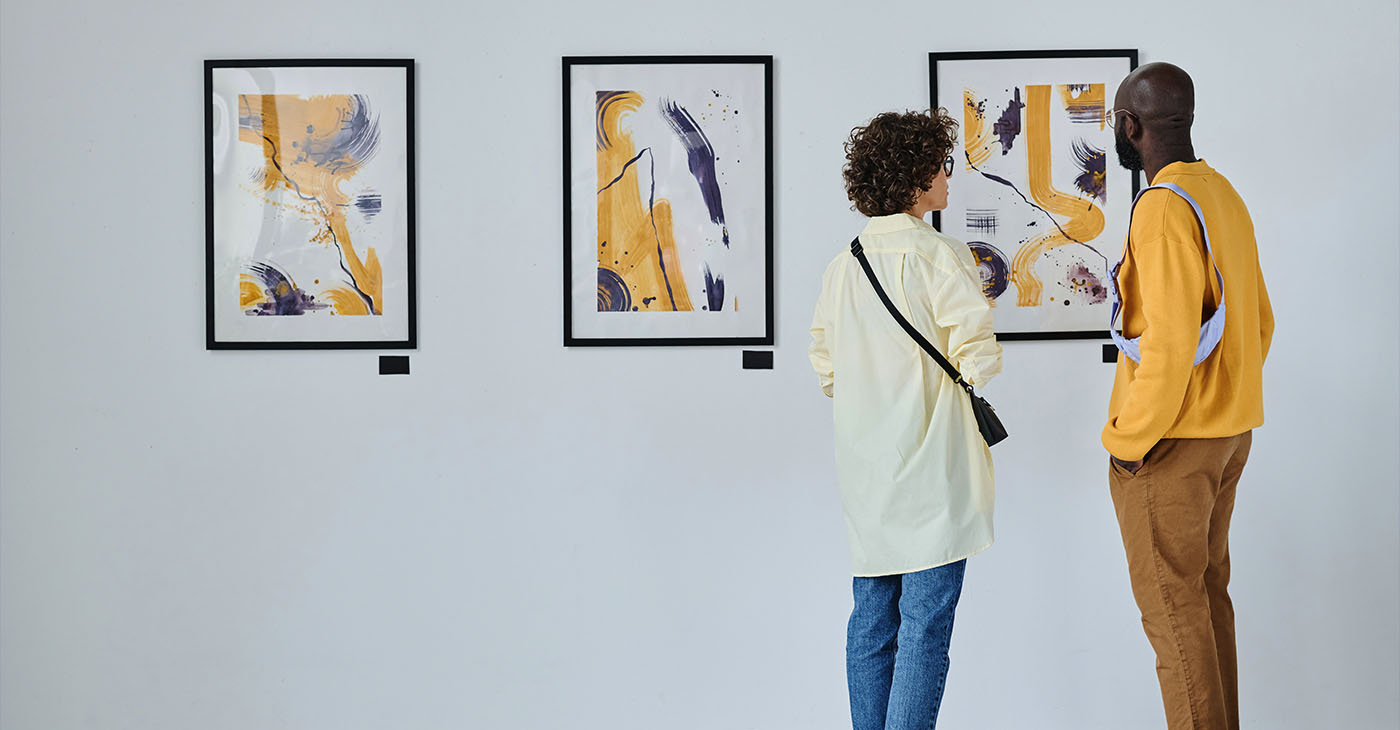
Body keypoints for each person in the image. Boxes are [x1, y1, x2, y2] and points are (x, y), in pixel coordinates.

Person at [809, 109, 1002, 730]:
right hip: (934, 468)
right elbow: (979, 355)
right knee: (925, 624)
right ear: (917, 177)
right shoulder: (940, 254)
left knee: (872, 617)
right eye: (942, 166)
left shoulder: (844, 263)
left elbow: (826, 366)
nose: (949, 177)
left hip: (868, 468)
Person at [1103, 62, 1274, 730]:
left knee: (1174, 624)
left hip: (1171, 448)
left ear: (1131, 125)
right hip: (1228, 436)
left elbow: (1171, 346)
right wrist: (1226, 404)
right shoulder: (1221, 194)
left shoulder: (1163, 206)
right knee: (1204, 605)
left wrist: (1128, 443)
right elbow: (1259, 320)